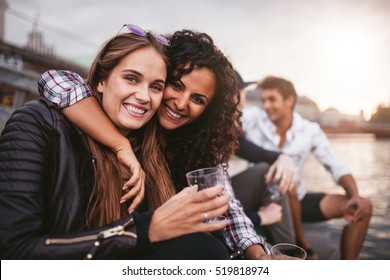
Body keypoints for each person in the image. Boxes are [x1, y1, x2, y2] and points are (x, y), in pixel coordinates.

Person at [37, 30, 289, 260]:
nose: (181, 103)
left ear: (208, 111)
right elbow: (57, 79)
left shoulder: (200, 147)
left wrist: (260, 256)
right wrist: (120, 144)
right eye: (176, 86)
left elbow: (226, 204)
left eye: (197, 99)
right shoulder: (128, 120)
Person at [0, 25, 231, 259]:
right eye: (131, 79)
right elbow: (14, 251)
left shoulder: (149, 143)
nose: (143, 96)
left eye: (156, 87)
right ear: (102, 80)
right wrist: (142, 231)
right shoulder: (39, 124)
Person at [242, 75, 373, 259]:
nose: (266, 105)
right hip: (264, 201)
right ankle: (304, 246)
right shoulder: (254, 119)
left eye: (272, 99)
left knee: (364, 207)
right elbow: (231, 118)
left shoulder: (309, 130)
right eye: (263, 100)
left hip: (297, 202)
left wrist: (355, 196)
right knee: (285, 182)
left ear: (290, 100)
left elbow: (337, 166)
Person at [228, 70, 296, 245]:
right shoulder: (212, 132)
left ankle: (285, 250)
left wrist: (283, 157)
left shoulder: (226, 131)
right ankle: (288, 252)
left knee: (270, 171)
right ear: (233, 97)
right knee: (268, 175)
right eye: (243, 94)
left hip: (224, 195)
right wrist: (260, 217)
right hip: (215, 206)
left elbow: (258, 153)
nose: (244, 102)